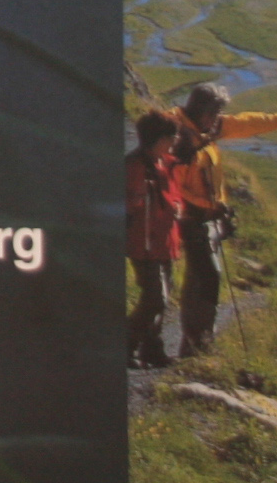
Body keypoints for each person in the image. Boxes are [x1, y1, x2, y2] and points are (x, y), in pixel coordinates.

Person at [171, 81, 277, 357]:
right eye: (215, 113)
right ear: (202, 111)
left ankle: (194, 344)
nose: (219, 119)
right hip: (192, 219)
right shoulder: (179, 139)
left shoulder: (205, 128)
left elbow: (243, 123)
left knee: (199, 278)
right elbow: (175, 188)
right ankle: (199, 344)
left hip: (207, 217)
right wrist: (209, 206)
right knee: (208, 276)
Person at [125, 109, 185, 370]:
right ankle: (126, 345)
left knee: (163, 297)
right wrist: (136, 199)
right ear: (156, 139)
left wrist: (178, 208)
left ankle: (152, 350)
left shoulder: (166, 163)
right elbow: (127, 204)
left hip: (164, 241)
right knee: (155, 299)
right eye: (170, 137)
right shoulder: (135, 166)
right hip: (144, 243)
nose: (174, 141)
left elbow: (174, 196)